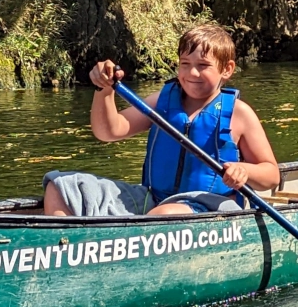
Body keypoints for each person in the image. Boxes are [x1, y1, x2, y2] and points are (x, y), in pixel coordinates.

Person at [42, 24, 280, 216]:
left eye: (203, 66)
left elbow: (271, 175)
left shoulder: (240, 113)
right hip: (152, 198)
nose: (192, 73)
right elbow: (109, 131)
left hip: (210, 205)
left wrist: (243, 170)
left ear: (226, 69)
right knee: (60, 185)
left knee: (165, 213)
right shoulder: (161, 103)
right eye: (185, 64)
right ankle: (68, 245)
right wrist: (105, 90)